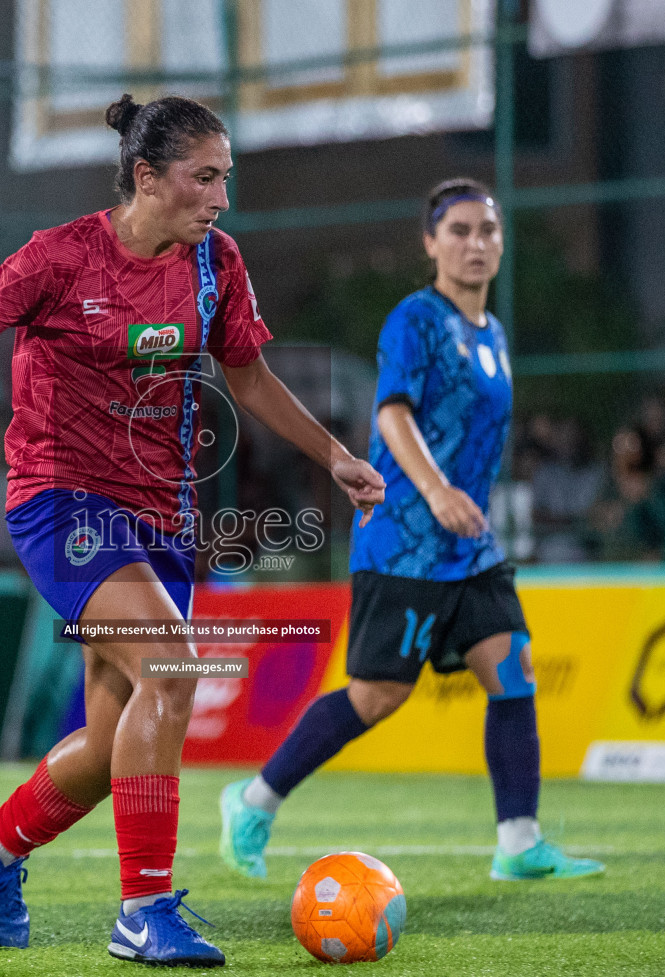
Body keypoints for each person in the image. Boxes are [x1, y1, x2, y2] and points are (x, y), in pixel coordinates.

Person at [0, 94, 384, 967]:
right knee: (169, 665)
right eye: (204, 178)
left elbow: (249, 374)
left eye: (225, 178)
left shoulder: (216, 262)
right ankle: (144, 910)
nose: (220, 197)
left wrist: (334, 453)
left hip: (166, 515)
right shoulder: (59, 257)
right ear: (146, 176)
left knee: (107, 741)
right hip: (60, 502)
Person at [218, 178, 604, 884]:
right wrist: (437, 490)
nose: (475, 244)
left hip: (471, 548)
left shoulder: (493, 333)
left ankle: (519, 842)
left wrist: (463, 503)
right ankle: (251, 802)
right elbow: (393, 413)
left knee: (512, 670)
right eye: (458, 231)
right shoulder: (414, 321)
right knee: (377, 696)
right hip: (405, 540)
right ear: (430, 243)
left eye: (487, 231)